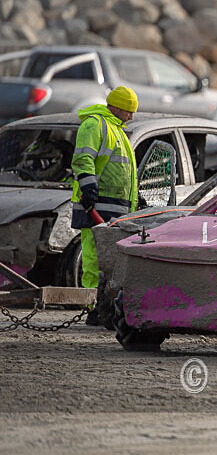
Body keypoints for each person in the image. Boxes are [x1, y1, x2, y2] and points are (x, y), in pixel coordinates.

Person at [70, 86, 139, 325]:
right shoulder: (94, 125)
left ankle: (106, 306)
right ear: (117, 107)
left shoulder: (116, 130)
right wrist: (89, 190)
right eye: (129, 111)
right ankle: (93, 308)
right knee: (93, 260)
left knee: (110, 263)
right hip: (95, 205)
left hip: (114, 208)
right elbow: (82, 158)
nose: (132, 116)